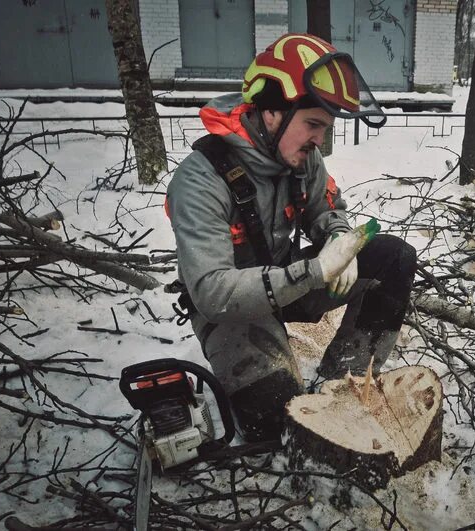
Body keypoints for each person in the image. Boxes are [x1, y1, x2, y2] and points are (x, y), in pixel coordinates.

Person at [165, 34, 417, 443]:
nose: (320, 140)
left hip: (288, 278)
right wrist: (316, 270)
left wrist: (341, 241)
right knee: (280, 426)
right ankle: (272, 381)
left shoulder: (303, 156)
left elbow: (326, 208)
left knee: (393, 256)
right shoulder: (200, 180)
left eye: (326, 127)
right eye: (313, 125)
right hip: (230, 310)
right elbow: (212, 290)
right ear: (271, 112)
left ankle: (346, 382)